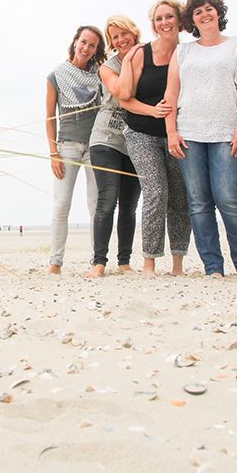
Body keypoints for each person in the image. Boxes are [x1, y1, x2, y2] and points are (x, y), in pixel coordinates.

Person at [165, 0, 237, 277]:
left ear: (218, 12)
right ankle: (213, 268)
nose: (204, 14)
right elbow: (171, 93)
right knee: (199, 203)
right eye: (197, 11)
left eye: (209, 9)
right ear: (191, 20)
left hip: (227, 132)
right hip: (189, 133)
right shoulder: (183, 51)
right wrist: (171, 132)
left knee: (229, 198)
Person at [115, 0, 190, 278]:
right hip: (140, 132)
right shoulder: (139, 54)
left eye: (169, 16)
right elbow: (124, 99)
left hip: (179, 133)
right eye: (158, 18)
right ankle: (149, 261)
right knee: (156, 192)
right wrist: (154, 111)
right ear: (153, 24)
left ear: (179, 20)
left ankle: (178, 263)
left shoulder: (188, 53)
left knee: (179, 197)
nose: (164, 22)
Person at [86, 15, 144, 277]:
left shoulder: (148, 56)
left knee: (130, 205)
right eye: (114, 37)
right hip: (105, 139)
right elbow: (123, 93)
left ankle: (124, 262)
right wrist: (130, 60)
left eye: (124, 34)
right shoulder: (108, 66)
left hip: (135, 140)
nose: (120, 40)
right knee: (107, 200)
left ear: (133, 32)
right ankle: (99, 262)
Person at [45, 25, 105, 274]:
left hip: (94, 146)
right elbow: (50, 117)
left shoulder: (100, 75)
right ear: (75, 42)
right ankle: (55, 263)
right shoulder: (56, 76)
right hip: (66, 146)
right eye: (84, 42)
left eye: (92, 45)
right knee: (61, 205)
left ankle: (97, 261)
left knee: (96, 205)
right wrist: (53, 153)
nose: (86, 48)